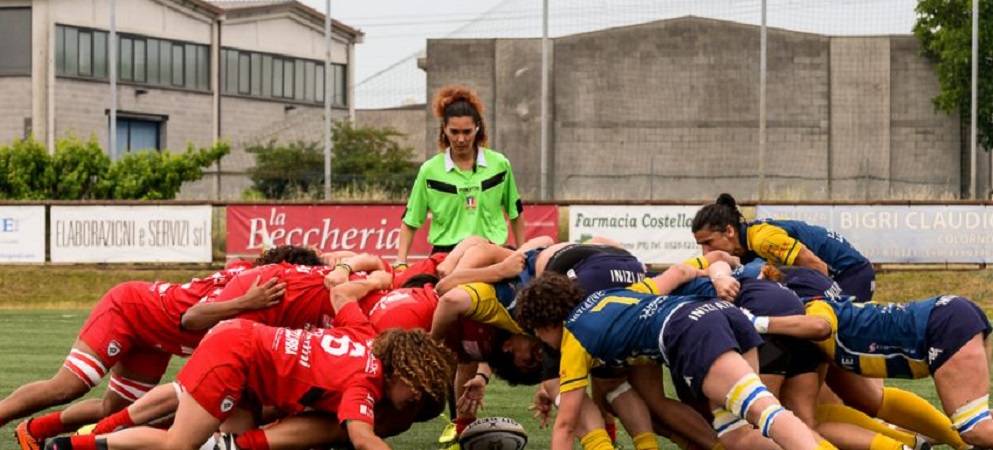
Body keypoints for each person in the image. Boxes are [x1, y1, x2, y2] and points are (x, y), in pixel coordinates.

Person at [45, 276, 455, 450]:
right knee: (178, 444)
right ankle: (71, 445)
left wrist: (372, 281)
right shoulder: (363, 386)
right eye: (414, 396)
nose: (411, 404)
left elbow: (340, 296)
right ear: (404, 372)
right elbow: (363, 439)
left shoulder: (365, 336)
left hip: (245, 353)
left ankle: (86, 435)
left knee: (225, 445)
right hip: (236, 356)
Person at [515, 272, 836, 450]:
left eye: (537, 335)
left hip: (690, 331)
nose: (542, 344)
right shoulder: (604, 297)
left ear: (545, 325)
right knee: (739, 432)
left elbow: (566, 423)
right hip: (719, 314)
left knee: (763, 410)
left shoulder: (574, 337)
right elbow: (668, 280)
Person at [397, 84, 526, 265]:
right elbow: (410, 221)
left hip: (491, 254)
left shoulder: (500, 164)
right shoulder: (429, 170)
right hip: (444, 257)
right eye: (454, 132)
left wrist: (522, 255)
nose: (461, 139)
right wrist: (400, 261)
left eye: (466, 131)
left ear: (477, 128)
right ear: (444, 129)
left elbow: (516, 213)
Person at [691, 193, 875, 301]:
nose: (705, 251)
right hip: (839, 274)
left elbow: (818, 267)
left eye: (708, 242)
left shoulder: (763, 240)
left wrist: (829, 302)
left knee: (832, 341)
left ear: (729, 231)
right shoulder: (744, 242)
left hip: (852, 274)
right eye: (701, 245)